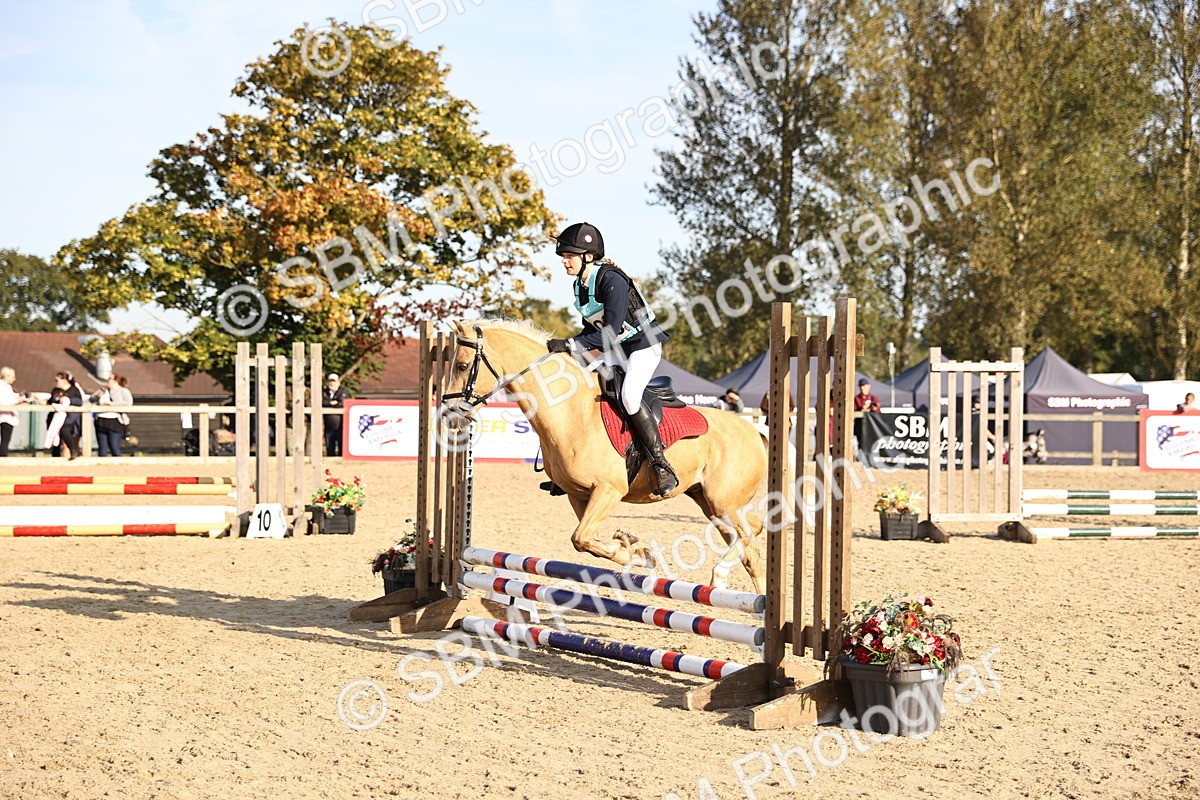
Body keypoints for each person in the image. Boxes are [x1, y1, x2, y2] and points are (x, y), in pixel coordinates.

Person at [546, 221, 677, 497]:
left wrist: (570, 344)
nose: (564, 262)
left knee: (629, 395)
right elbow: (590, 330)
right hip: (615, 348)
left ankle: (660, 464)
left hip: (642, 347)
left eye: (569, 256)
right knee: (573, 383)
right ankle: (566, 468)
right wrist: (567, 350)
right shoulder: (580, 286)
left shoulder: (611, 280)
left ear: (588, 256)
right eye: (564, 257)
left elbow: (610, 332)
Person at [44, 371, 83, 459]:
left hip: (69, 417)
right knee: (54, 434)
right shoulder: (55, 390)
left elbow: (79, 402)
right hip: (55, 417)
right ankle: (55, 456)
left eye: (57, 380)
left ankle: (73, 450)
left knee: (65, 431)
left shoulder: (74, 390)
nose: (55, 382)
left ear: (65, 380)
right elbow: (50, 402)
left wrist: (66, 400)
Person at [92, 374, 133, 457]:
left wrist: (112, 404)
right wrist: (97, 396)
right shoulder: (102, 390)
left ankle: (118, 464)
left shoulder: (123, 391)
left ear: (116, 381)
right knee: (102, 447)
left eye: (110, 378)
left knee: (113, 445)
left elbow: (128, 403)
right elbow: (90, 400)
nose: (107, 380)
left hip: (116, 421)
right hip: (101, 420)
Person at [0, 366, 27, 457]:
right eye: (13, 376)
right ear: (6, 376)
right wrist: (18, 400)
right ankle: (2, 458)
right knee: (5, 439)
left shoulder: (7, 387)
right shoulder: (2, 386)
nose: (14, 379)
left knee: (5, 440)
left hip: (7, 416)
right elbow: (4, 402)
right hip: (4, 416)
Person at [323, 373, 350, 456]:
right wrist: (332, 403)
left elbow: (343, 403)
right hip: (328, 425)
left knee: (342, 445)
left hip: (341, 425)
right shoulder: (324, 392)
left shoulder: (343, 391)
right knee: (330, 446)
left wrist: (330, 403)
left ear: (338, 382)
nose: (332, 383)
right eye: (330, 381)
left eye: (334, 381)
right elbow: (321, 402)